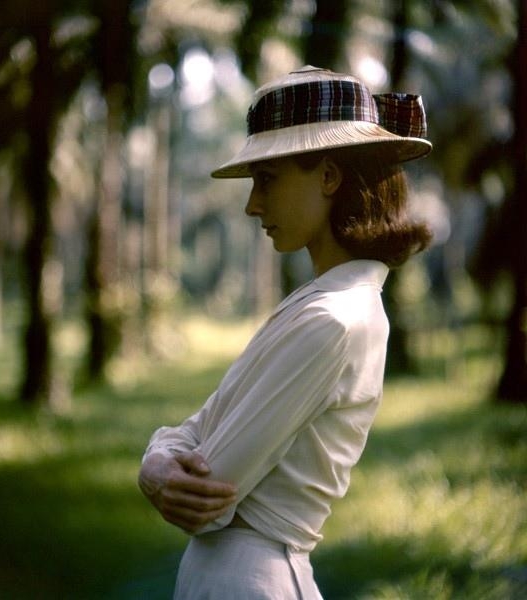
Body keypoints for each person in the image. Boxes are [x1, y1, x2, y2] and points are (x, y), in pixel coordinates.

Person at [138, 65, 433, 599]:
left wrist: (161, 465)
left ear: (327, 176)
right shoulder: (318, 305)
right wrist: (157, 459)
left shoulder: (332, 320)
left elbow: (205, 496)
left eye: (267, 179)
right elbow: (196, 429)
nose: (253, 204)